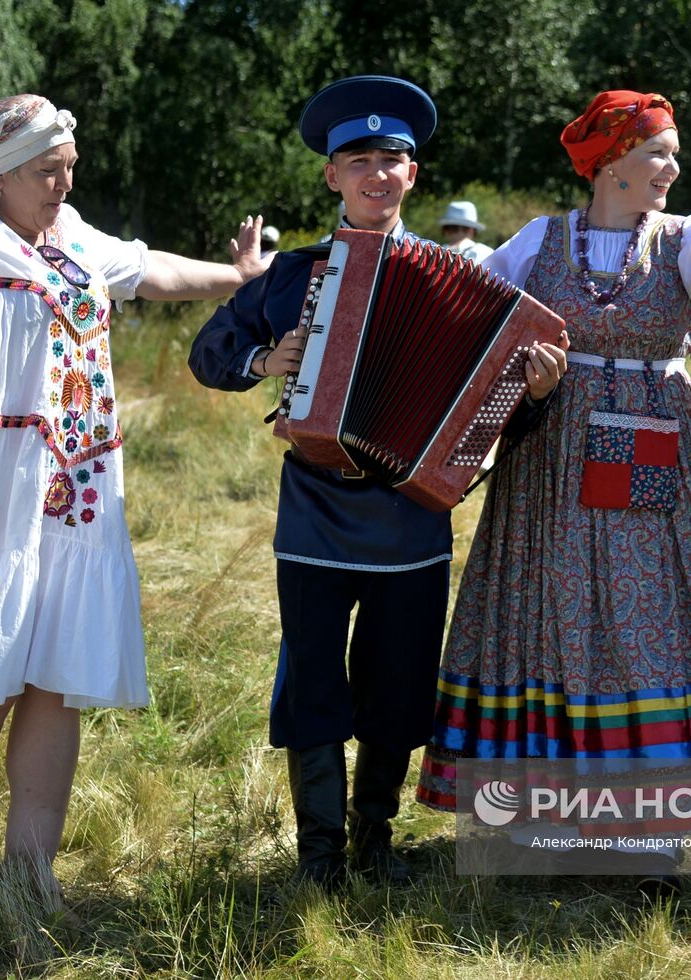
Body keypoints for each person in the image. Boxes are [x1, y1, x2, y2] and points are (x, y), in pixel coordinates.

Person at [0, 90, 271, 903]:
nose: (63, 186)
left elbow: (149, 271)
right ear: (0, 176)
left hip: (76, 488)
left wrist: (238, 275)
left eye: (70, 169)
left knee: (53, 674)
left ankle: (29, 877)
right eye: (46, 172)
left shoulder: (70, 237)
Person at [415, 91, 691, 883]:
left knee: (641, 612)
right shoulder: (542, 240)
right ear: (612, 160)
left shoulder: (688, 239)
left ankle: (646, 827)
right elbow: (467, 303)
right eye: (659, 152)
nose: (673, 167)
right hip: (549, 451)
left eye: (673, 153)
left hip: (648, 444)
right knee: (546, 610)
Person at [188, 75, 569, 889]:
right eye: (357, 158)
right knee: (314, 677)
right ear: (332, 175)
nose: (375, 172)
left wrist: (534, 393)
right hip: (316, 516)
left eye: (391, 159)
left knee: (399, 687)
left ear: (412, 176)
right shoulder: (292, 275)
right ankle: (319, 856)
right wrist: (265, 359)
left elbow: (497, 423)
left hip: (410, 521)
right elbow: (208, 354)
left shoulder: (462, 289)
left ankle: (374, 843)